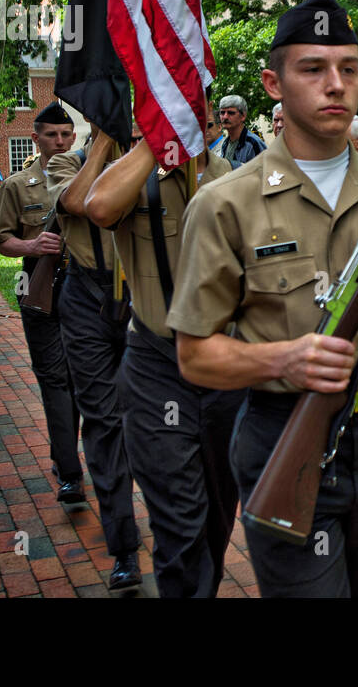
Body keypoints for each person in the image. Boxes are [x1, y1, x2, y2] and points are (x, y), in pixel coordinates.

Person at [167, 0, 358, 598]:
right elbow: (194, 354)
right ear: (273, 82)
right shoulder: (225, 203)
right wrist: (283, 359)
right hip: (281, 426)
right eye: (313, 69)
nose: (336, 85)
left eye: (348, 69)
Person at [84, 126, 242, 598]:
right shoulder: (138, 176)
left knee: (217, 512)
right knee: (178, 519)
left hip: (224, 366)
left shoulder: (235, 176)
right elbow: (97, 207)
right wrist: (154, 140)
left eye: (200, 108)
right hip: (157, 365)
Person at [48, 125, 141, 590]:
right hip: (86, 301)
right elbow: (77, 204)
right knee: (104, 422)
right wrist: (103, 144)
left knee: (151, 419)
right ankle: (124, 546)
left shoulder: (147, 161)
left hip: (140, 302)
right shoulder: (66, 162)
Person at [0, 103, 84, 507]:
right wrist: (31, 245)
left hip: (85, 291)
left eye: (66, 135)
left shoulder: (89, 178)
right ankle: (70, 473)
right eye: (51, 135)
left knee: (83, 381)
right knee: (55, 380)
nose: (60, 142)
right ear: (36, 138)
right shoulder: (18, 185)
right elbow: (2, 240)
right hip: (40, 288)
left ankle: (66, 454)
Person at [209, 94, 267, 169]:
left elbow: (264, 173)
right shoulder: (225, 143)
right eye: (222, 113)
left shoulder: (253, 143)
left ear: (243, 116)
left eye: (231, 113)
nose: (225, 117)